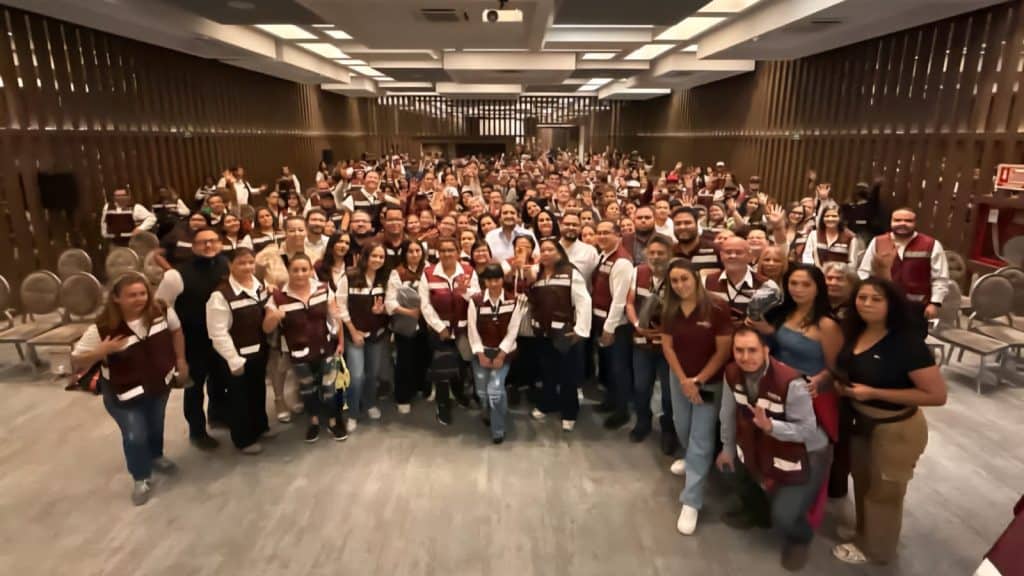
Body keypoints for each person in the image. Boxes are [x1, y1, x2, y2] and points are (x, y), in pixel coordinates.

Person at [832, 278, 947, 565]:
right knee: (863, 482)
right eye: (862, 297)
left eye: (876, 299)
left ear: (891, 304)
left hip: (896, 428)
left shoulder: (906, 343)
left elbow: (936, 395)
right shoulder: (855, 331)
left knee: (886, 492)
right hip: (860, 423)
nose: (867, 304)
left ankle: (878, 551)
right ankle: (865, 533)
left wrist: (873, 393)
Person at [716, 328, 832, 571]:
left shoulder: (792, 382)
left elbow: (808, 430)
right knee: (731, 468)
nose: (745, 357)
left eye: (752, 350)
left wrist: (771, 427)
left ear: (766, 350)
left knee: (785, 515)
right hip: (764, 444)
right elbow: (727, 414)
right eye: (739, 350)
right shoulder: (731, 373)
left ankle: (800, 538)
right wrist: (727, 448)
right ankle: (758, 514)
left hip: (806, 452)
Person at [71, 273, 187, 505]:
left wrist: (181, 360)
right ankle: (141, 477)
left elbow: (176, 331)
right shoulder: (102, 329)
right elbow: (76, 360)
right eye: (132, 295)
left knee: (156, 424)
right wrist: (101, 352)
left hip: (158, 385)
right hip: (123, 393)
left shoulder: (162, 311)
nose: (139, 299)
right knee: (135, 435)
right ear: (116, 298)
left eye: (142, 293)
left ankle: (156, 456)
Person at [659, 259, 733, 535]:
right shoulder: (670, 307)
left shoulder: (717, 307)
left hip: (709, 382)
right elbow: (667, 346)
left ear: (696, 278)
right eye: (674, 281)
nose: (680, 285)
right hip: (679, 378)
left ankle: (691, 501)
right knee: (683, 427)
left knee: (701, 439)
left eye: (684, 279)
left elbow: (723, 351)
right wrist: (683, 380)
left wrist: (698, 380)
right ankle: (691, 461)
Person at [155, 227, 229, 450]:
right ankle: (197, 432)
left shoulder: (225, 264)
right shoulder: (176, 275)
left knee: (219, 379)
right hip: (191, 340)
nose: (208, 245)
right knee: (194, 388)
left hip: (219, 336)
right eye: (203, 242)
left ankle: (218, 415)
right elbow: (160, 306)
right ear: (193, 247)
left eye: (213, 241)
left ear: (220, 244)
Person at [263, 254, 346, 443]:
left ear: (310, 271)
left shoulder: (323, 289)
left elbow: (336, 318)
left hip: (326, 348)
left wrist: (340, 342)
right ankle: (314, 421)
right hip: (298, 354)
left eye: (304, 270)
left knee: (329, 388)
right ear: (289, 271)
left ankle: (333, 421)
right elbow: (266, 328)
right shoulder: (278, 297)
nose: (300, 274)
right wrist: (274, 316)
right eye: (295, 270)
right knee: (307, 389)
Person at [206, 248, 272, 454]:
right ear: (230, 265)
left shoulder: (259, 285)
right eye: (241, 263)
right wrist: (233, 360)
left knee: (257, 391)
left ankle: (259, 427)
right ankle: (243, 440)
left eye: (250, 262)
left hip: (259, 351)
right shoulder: (220, 296)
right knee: (239, 398)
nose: (247, 267)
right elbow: (218, 333)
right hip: (236, 356)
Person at [529, 237, 591, 431]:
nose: (546, 253)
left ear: (559, 253)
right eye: (543, 250)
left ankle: (569, 411)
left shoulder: (571, 272)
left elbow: (584, 301)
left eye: (550, 250)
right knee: (547, 373)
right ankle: (548, 404)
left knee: (568, 375)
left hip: (564, 334)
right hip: (543, 334)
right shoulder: (537, 274)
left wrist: (580, 330)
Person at [857, 208, 949, 338]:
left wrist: (935, 303)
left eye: (908, 220)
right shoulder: (877, 242)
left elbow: (940, 278)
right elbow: (864, 272)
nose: (902, 223)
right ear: (891, 222)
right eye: (897, 220)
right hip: (884, 304)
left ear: (915, 223)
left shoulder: (931, 244)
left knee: (912, 343)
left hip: (916, 307)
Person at [419, 236, 480, 426]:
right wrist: (439, 327)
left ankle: (460, 394)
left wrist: (464, 291)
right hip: (439, 331)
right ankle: (443, 404)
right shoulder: (428, 273)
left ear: (458, 252)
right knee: (442, 368)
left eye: (450, 250)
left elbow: (477, 299)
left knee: (461, 365)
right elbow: (425, 304)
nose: (446, 254)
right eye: (443, 250)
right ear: (438, 253)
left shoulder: (469, 271)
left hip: (463, 330)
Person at [468, 264, 527, 444]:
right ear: (484, 282)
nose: (493, 284)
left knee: (494, 390)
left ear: (503, 279)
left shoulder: (513, 301)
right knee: (482, 392)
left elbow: (513, 330)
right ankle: (487, 411)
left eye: (497, 279)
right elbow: (472, 329)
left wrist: (501, 355)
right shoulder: (476, 300)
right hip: (482, 351)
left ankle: (498, 429)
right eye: (489, 280)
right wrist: (480, 354)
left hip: (504, 352)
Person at [625, 234, 673, 446]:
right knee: (641, 386)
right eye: (652, 252)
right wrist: (637, 325)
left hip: (670, 344)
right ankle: (642, 422)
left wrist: (668, 331)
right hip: (642, 341)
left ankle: (668, 428)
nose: (655, 256)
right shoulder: (638, 272)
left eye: (660, 253)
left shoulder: (678, 274)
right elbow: (629, 303)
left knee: (669, 392)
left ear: (669, 254)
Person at [337, 242, 389, 432]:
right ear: (365, 256)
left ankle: (370, 403)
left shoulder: (384, 277)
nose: (377, 260)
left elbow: (390, 304)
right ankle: (353, 413)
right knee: (357, 375)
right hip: (355, 335)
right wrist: (352, 330)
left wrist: (381, 311)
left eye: (381, 257)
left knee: (372, 374)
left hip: (377, 334)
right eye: (374, 255)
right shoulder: (349, 276)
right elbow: (340, 305)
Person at [592, 220, 634, 430]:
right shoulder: (604, 255)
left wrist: (609, 328)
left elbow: (619, 299)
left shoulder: (622, 262)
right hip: (601, 319)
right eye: (599, 232)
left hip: (616, 325)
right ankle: (610, 401)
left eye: (606, 233)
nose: (601, 236)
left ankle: (622, 411)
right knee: (607, 367)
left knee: (619, 369)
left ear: (618, 235)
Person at [387, 241, 430, 412]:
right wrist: (409, 312)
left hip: (426, 323)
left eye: (418, 250)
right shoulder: (397, 273)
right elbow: (390, 302)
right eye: (410, 251)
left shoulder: (429, 269)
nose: (414, 254)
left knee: (423, 358)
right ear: (404, 254)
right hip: (405, 323)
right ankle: (403, 397)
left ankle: (419, 387)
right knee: (404, 361)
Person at [803, 203, 860, 269]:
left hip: (840, 273)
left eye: (834, 216)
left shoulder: (851, 237)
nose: (830, 219)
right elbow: (807, 256)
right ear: (822, 218)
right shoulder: (814, 235)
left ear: (840, 218)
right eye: (827, 216)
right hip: (816, 272)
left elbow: (852, 263)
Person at [672, 207, 720, 274]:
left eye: (687, 223)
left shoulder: (715, 250)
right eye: (678, 224)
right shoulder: (669, 253)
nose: (682, 227)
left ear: (697, 224)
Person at [560, 211, 600, 282]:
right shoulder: (551, 248)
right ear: (560, 226)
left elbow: (597, 279)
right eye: (567, 224)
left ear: (580, 228)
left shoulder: (590, 251)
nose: (571, 227)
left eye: (575, 225)